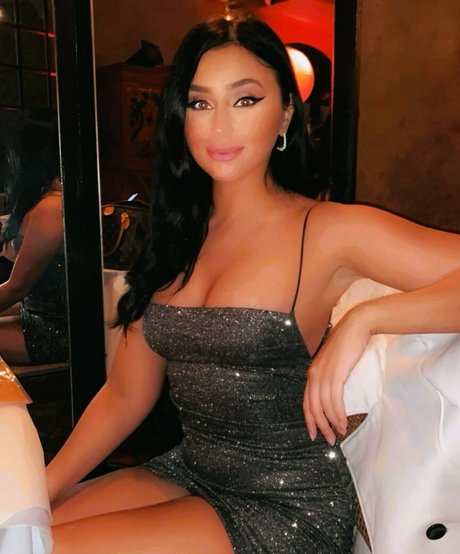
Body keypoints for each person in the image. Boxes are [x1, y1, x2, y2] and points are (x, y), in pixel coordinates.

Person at [46, 15, 460, 554]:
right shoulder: (176, 235)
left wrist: (367, 320)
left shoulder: (328, 230)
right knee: (22, 532)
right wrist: (37, 493)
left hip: (285, 506)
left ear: (285, 111)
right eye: (200, 103)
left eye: (245, 100)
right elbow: (125, 396)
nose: (220, 127)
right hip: (189, 471)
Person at [0, 122, 68, 365]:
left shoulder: (51, 208)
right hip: (37, 314)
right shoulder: (44, 201)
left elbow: (17, 288)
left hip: (56, 330)